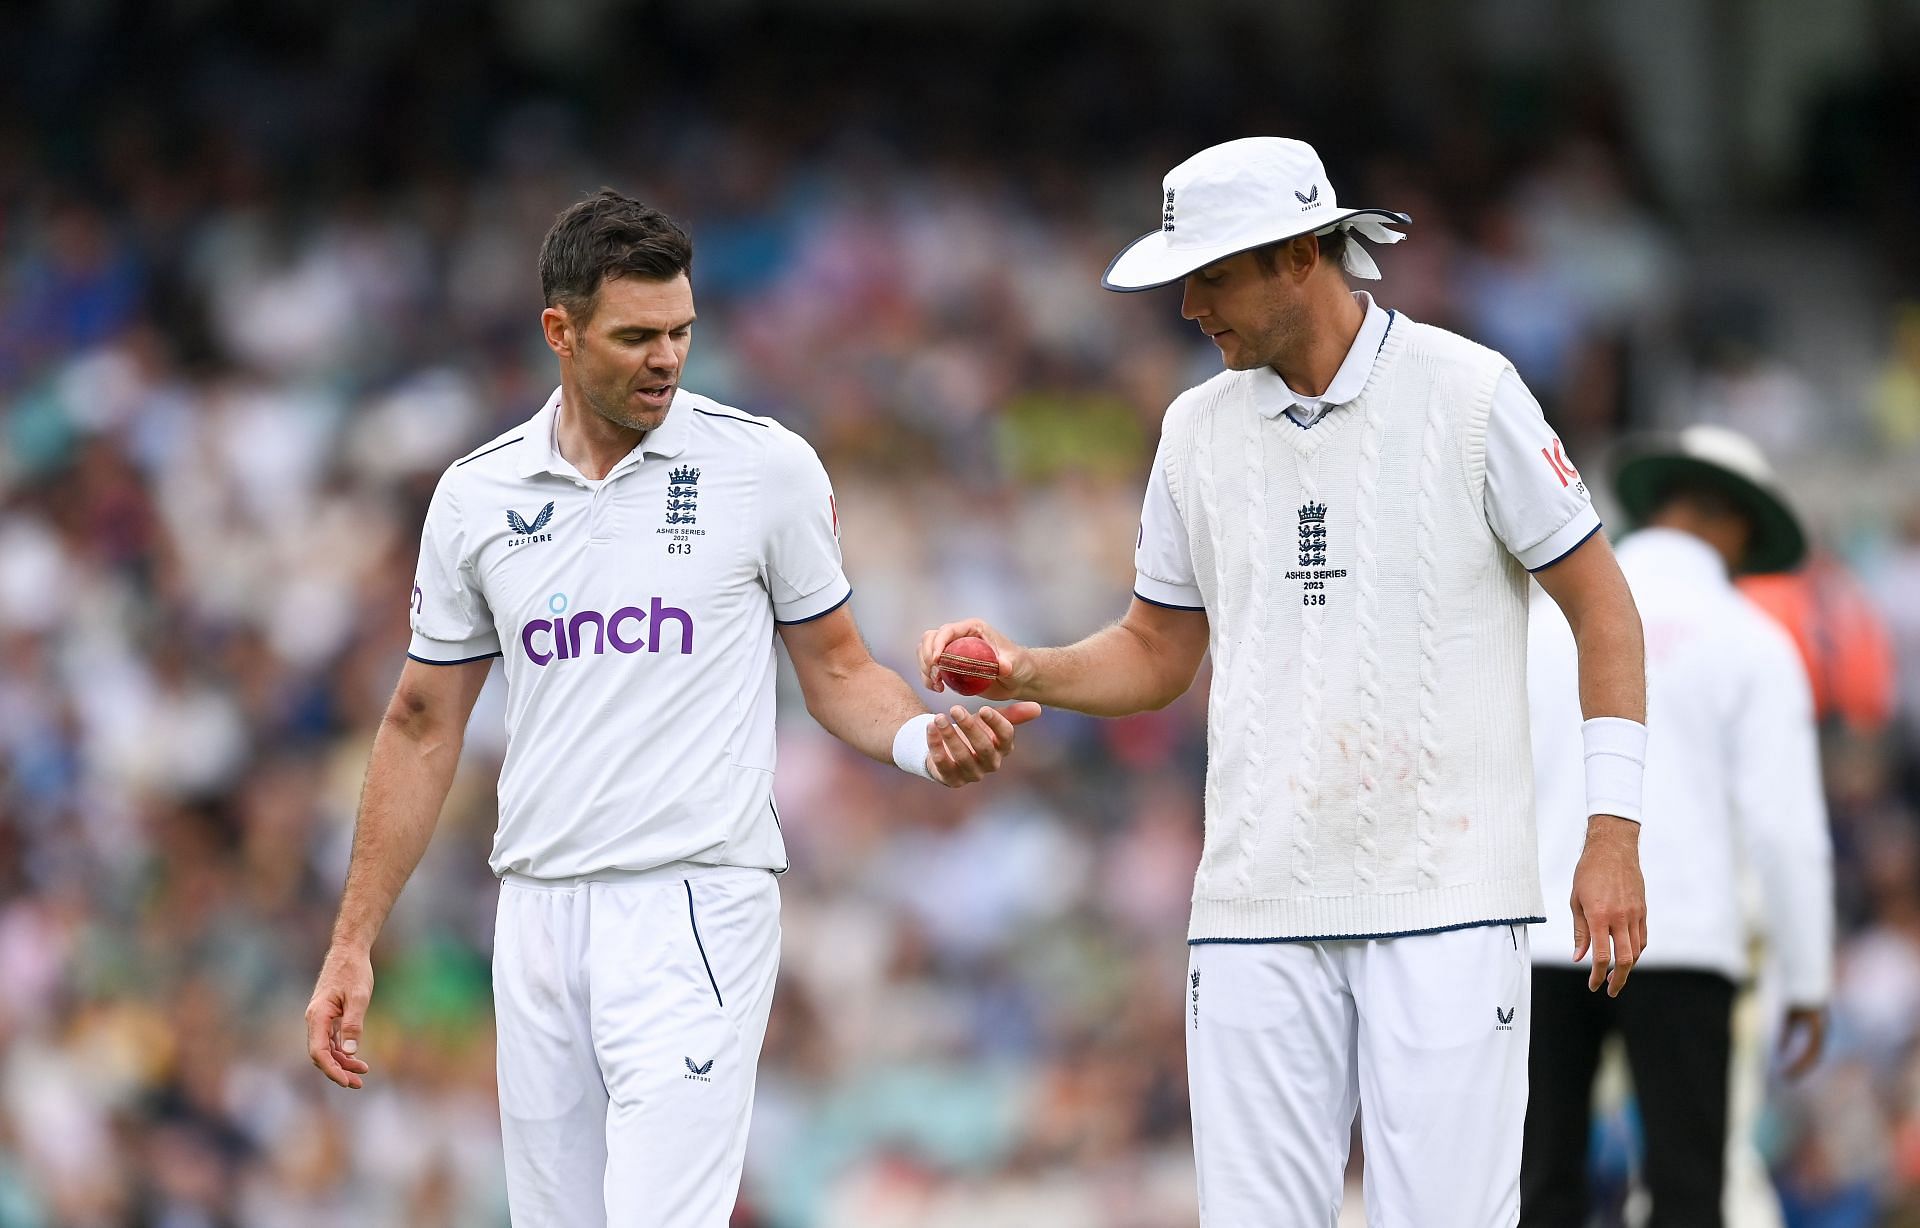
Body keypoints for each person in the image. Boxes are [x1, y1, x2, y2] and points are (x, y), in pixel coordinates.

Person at [920, 137, 1650, 1226]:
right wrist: (1029, 668)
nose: (1188, 309)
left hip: (1449, 897)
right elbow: (1158, 651)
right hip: (1255, 902)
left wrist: (1612, 831)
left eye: (1210, 276)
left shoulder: (1468, 392)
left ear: (1301, 256)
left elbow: (1605, 609)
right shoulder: (1194, 427)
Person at [303, 189, 1040, 1228]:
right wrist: (353, 941)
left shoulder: (762, 467)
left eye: (682, 332)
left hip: (693, 900)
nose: (666, 359)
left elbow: (836, 668)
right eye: (635, 336)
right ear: (559, 332)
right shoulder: (476, 496)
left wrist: (923, 740)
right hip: (537, 914)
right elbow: (422, 723)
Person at [1523, 425, 1835, 1228]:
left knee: (1534, 1185)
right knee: (1688, 1191)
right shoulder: (1752, 642)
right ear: (1731, 524)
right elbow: (1785, 830)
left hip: (1546, 935)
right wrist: (1806, 980)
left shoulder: (1546, 622)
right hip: (1687, 940)